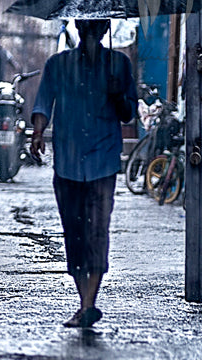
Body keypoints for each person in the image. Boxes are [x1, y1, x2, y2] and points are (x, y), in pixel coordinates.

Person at [30, 17, 138, 329]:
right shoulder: (58, 65)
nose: (91, 32)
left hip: (103, 161)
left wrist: (118, 95)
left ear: (104, 30)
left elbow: (129, 113)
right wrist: (37, 133)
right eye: (86, 26)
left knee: (98, 231)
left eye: (97, 27)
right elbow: (43, 103)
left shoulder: (119, 64)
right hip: (68, 161)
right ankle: (84, 302)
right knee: (74, 233)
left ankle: (89, 303)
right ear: (78, 28)